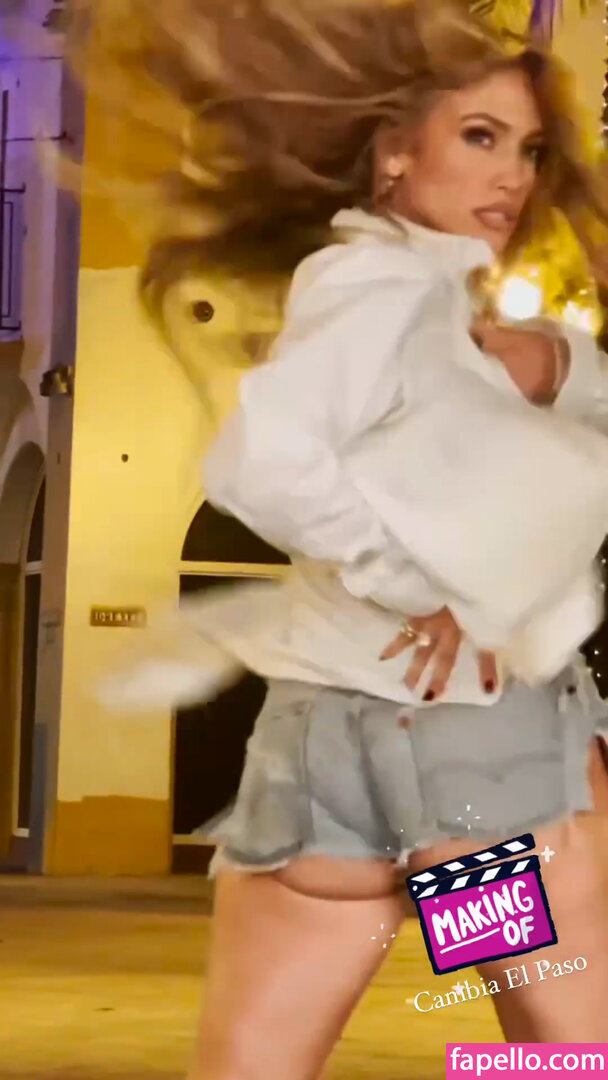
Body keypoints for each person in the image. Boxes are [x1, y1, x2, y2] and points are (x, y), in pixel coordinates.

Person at [78, 0, 608, 1071]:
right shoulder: (391, 292)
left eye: (526, 149)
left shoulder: (396, 296)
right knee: (562, 1059)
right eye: (478, 137)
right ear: (391, 152)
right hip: (472, 771)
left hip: (327, 766)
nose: (510, 176)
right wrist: (427, 585)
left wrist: (549, 372)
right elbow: (258, 465)